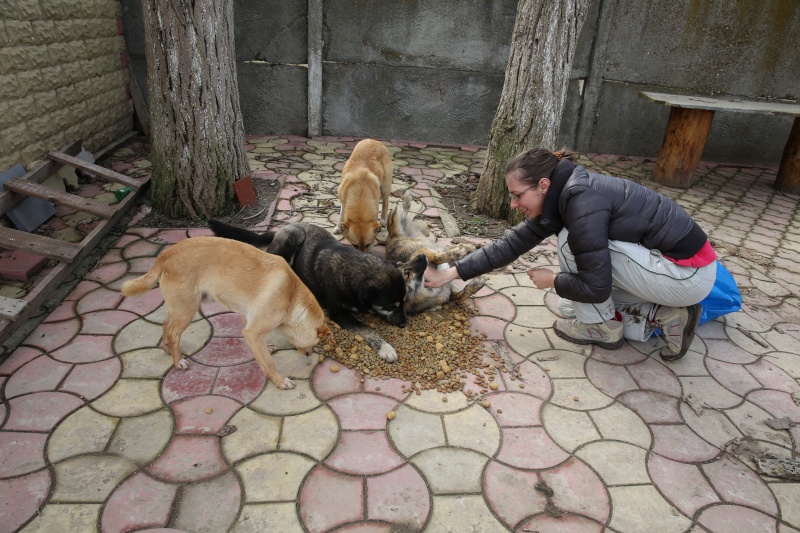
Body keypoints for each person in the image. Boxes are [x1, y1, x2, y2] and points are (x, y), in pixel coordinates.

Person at [424, 148, 717, 360]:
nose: (513, 204)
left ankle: (604, 329)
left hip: (686, 275)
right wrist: (452, 273)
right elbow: (512, 244)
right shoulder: (565, 193)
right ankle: (664, 314)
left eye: (517, 195)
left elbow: (596, 286)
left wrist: (552, 279)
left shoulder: (581, 203)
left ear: (543, 185)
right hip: (673, 272)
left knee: (568, 246)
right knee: (570, 307)